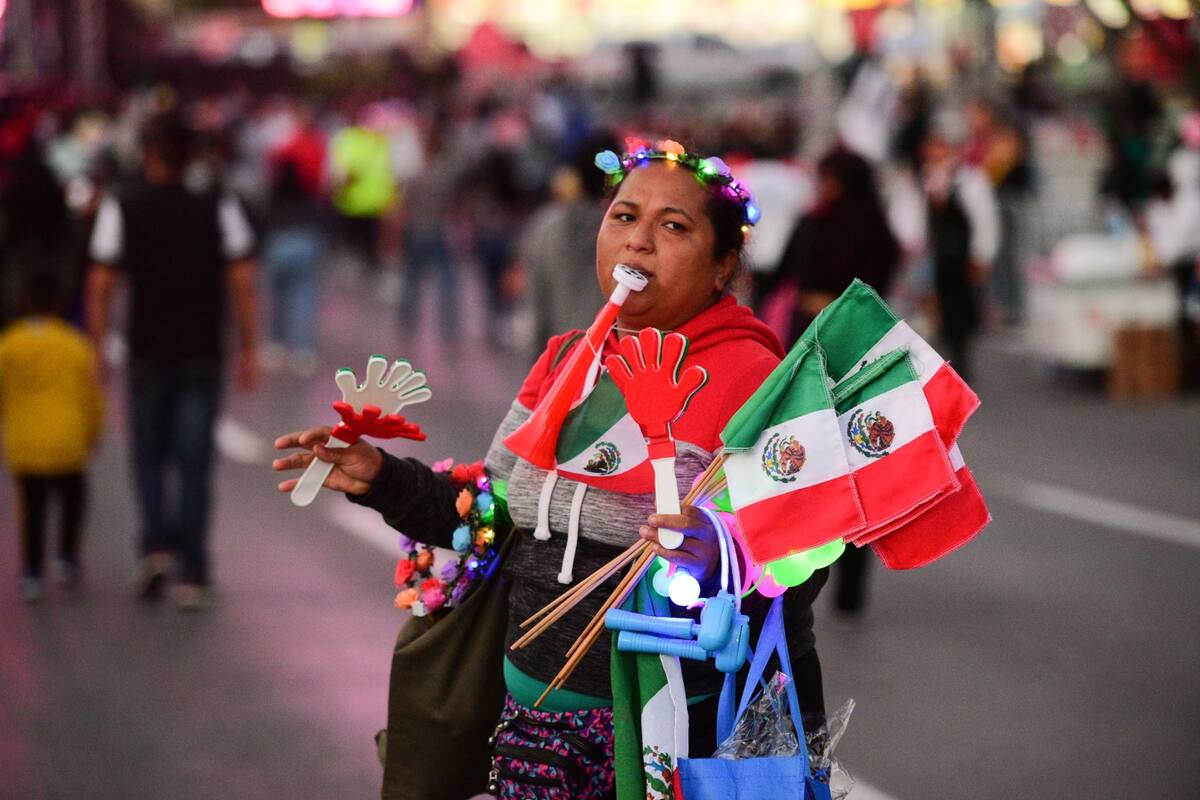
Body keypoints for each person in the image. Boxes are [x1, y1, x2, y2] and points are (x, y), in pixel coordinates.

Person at [273, 140, 828, 796]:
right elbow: (490, 514)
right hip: (530, 727)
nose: (638, 241)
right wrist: (381, 478)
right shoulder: (569, 360)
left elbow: (807, 554)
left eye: (674, 226)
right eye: (624, 217)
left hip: (673, 741)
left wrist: (722, 560)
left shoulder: (758, 382)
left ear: (723, 265)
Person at [85, 114, 260, 610]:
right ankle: (194, 571)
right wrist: (248, 347)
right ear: (192, 157)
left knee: (148, 455)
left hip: (145, 352)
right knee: (195, 462)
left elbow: (101, 283)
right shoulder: (217, 205)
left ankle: (155, 548)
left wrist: (98, 348)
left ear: (149, 154)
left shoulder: (123, 204)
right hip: (202, 352)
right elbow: (242, 279)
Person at [774, 147, 901, 615]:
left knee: (809, 457)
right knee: (852, 459)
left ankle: (806, 575)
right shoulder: (877, 229)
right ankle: (844, 581)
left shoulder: (819, 222)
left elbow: (779, 274)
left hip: (815, 344)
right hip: (857, 345)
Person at [0, 271, 103, 602]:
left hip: (25, 444)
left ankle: (32, 572)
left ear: (23, 302)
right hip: (67, 442)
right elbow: (91, 396)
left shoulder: (9, 344)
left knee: (32, 509)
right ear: (60, 304)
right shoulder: (74, 344)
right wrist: (93, 432)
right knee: (73, 500)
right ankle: (67, 559)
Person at [261, 158, 327, 377]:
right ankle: (302, 351)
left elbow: (264, 220)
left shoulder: (275, 196)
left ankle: (275, 344)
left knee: (278, 298)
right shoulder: (307, 196)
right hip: (306, 244)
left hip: (279, 244)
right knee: (304, 300)